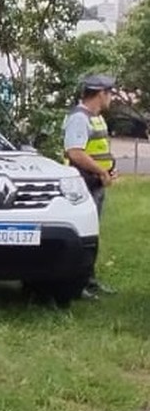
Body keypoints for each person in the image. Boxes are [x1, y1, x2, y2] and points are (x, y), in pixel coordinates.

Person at [63, 73, 118, 298]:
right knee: (84, 236)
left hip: (95, 183)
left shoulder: (95, 117)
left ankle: (89, 280)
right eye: (110, 93)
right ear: (100, 93)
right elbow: (75, 152)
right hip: (83, 184)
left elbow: (97, 149)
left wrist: (108, 169)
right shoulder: (79, 117)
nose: (112, 97)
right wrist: (101, 170)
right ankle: (79, 283)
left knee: (92, 235)